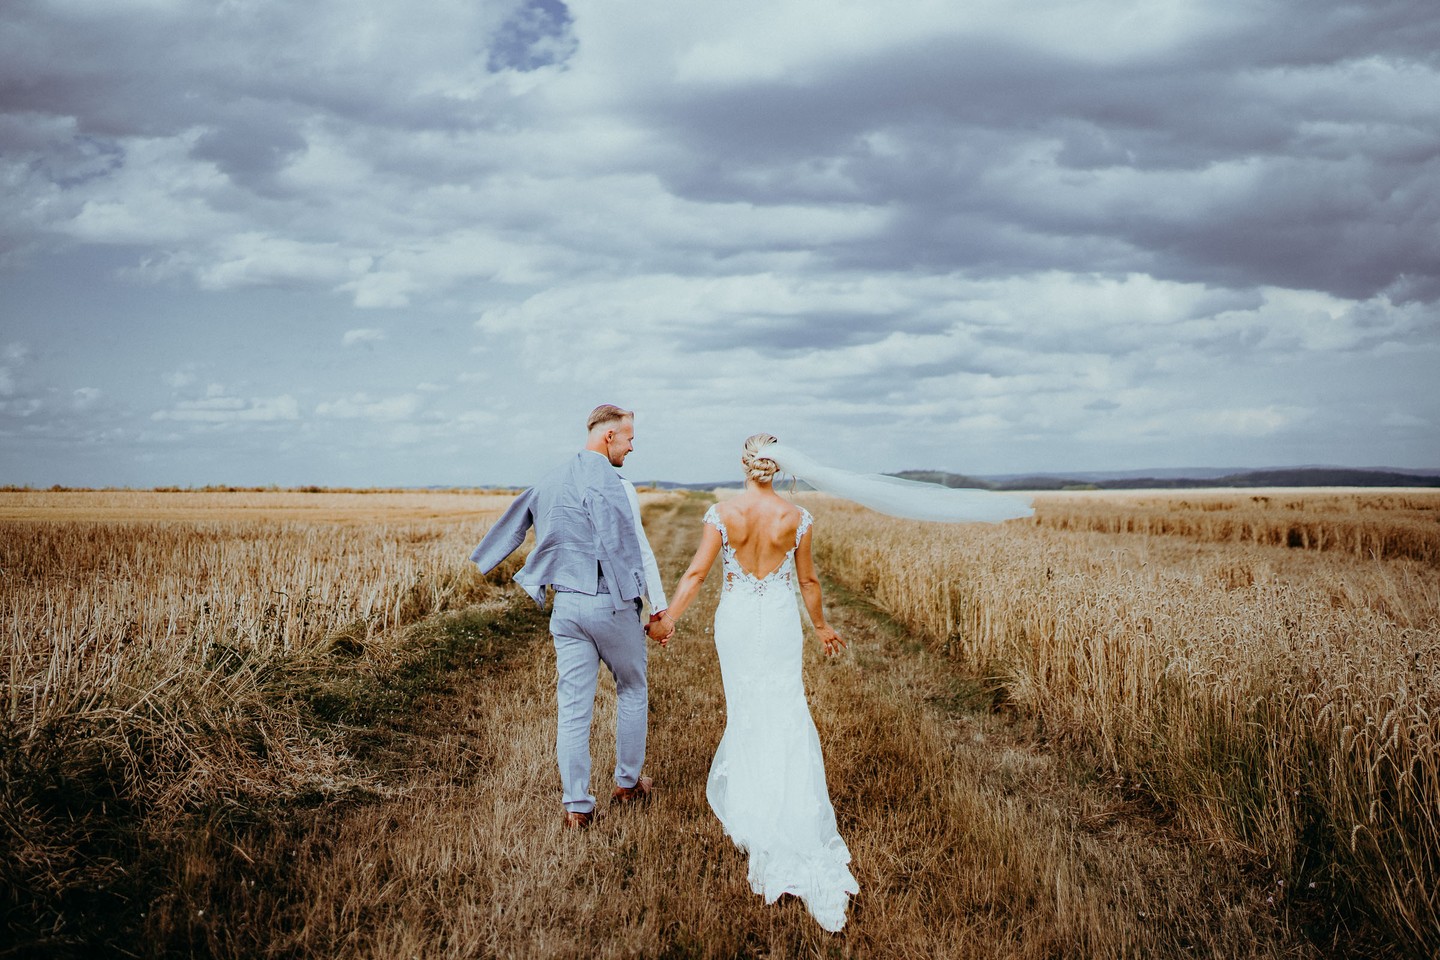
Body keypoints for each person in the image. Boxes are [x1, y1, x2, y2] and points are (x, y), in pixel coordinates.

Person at [653, 433, 859, 932]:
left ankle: (752, 803)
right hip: (781, 620)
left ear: (743, 464)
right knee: (786, 706)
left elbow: (697, 575)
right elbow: (808, 582)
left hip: (739, 620)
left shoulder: (722, 513)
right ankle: (788, 806)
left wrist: (669, 619)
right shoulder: (797, 518)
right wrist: (822, 627)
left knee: (746, 708)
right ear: (778, 467)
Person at [470, 404, 673, 829]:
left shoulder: (550, 480)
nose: (633, 446)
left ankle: (576, 807)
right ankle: (628, 784)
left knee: (573, 708)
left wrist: (485, 558)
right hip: (611, 603)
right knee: (632, 689)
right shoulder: (619, 486)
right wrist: (658, 609)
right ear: (608, 437)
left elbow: (515, 520)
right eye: (630, 438)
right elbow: (640, 551)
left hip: (566, 608)